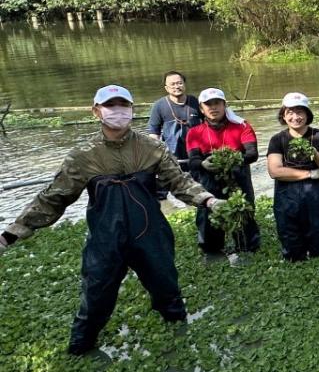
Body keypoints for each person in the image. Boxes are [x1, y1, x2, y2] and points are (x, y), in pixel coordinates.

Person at [0, 84, 223, 355]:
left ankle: (179, 333)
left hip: (150, 234)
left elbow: (180, 182)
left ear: (131, 110)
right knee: (95, 295)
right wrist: (11, 233)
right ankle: (80, 348)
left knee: (167, 288)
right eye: (110, 106)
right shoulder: (83, 156)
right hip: (105, 239)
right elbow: (52, 199)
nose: (117, 111)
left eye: (123, 105)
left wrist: (209, 200)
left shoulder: (152, 148)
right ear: (96, 111)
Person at [186, 88, 260, 257]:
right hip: (209, 177)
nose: (213, 107)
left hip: (238, 176)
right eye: (208, 104)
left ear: (224, 105)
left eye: (217, 103)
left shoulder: (241, 126)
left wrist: (232, 160)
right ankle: (212, 250)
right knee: (208, 213)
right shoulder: (194, 132)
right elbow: (193, 160)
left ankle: (247, 248)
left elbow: (252, 153)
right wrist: (203, 164)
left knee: (242, 210)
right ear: (201, 108)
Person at [266, 93, 319, 262]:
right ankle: (295, 256)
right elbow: (274, 171)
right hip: (287, 190)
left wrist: (315, 153)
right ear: (283, 115)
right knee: (290, 236)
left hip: (316, 191)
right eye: (290, 112)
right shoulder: (277, 140)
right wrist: (310, 174)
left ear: (307, 114)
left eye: (300, 112)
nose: (295, 117)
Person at [147, 71, 202, 200]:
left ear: (184, 84)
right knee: (161, 192)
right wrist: (155, 155)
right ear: (166, 88)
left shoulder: (195, 102)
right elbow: (153, 132)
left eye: (179, 83)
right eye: (172, 84)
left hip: (194, 151)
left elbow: (208, 124)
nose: (176, 87)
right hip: (172, 152)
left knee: (198, 187)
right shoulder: (159, 106)